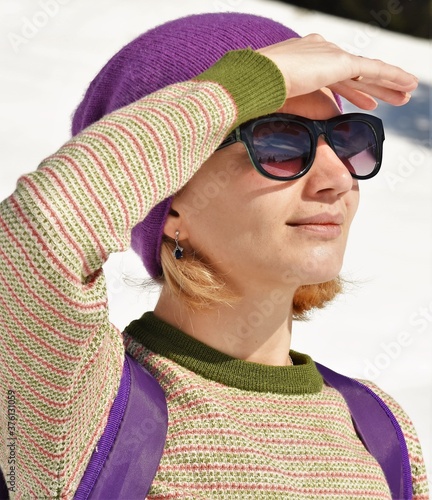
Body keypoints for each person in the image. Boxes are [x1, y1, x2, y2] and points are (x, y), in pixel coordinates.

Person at [0, 11, 429, 499]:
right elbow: (37, 230)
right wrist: (249, 82)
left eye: (349, 139)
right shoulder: (75, 408)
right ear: (169, 201)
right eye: (279, 142)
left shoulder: (379, 433)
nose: (337, 179)